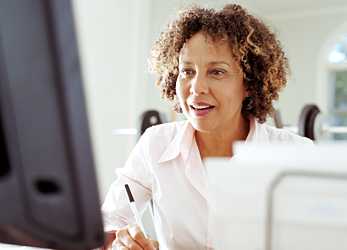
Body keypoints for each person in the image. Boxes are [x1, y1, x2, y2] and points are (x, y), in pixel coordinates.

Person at [101, 4, 312, 250]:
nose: (197, 87)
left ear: (249, 84)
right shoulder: (155, 144)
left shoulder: (297, 155)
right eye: (187, 71)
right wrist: (122, 242)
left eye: (217, 72)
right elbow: (109, 223)